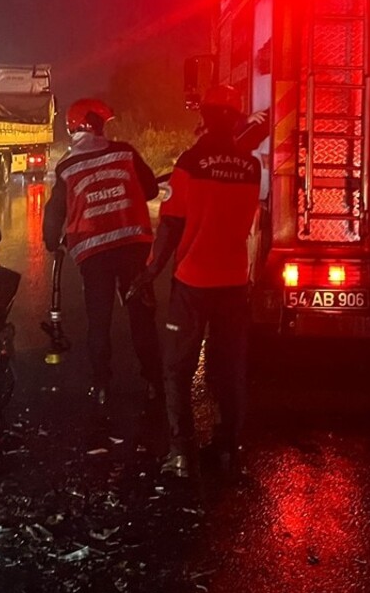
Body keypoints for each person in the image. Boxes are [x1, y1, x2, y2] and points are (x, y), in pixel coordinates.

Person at [131, 85, 261, 478]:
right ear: (236, 118)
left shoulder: (190, 162)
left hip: (193, 282)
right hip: (234, 281)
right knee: (229, 368)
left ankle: (182, 454)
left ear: (204, 116)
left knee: (177, 368)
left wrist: (149, 272)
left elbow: (171, 225)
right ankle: (228, 449)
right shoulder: (250, 166)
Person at [43, 97, 163, 407]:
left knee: (98, 320)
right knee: (141, 317)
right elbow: (150, 189)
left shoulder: (68, 166)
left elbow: (55, 211)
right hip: (132, 250)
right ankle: (153, 381)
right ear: (94, 124)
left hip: (93, 255)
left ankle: (101, 385)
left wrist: (51, 241)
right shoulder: (125, 152)